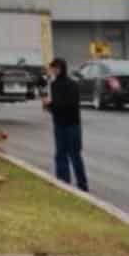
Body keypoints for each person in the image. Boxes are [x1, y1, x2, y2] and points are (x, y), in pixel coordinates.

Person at [41, 57, 87, 192]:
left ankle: (63, 183)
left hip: (62, 124)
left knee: (61, 154)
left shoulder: (56, 85)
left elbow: (58, 107)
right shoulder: (73, 84)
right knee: (75, 155)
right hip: (74, 124)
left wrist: (47, 105)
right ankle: (82, 185)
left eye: (53, 69)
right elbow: (71, 104)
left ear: (58, 69)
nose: (52, 71)